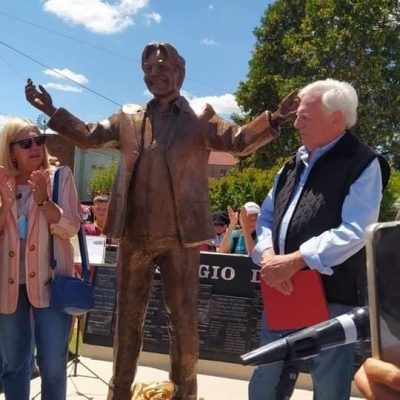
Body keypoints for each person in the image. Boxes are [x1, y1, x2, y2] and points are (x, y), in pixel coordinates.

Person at [25, 42, 299, 400]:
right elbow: (91, 136)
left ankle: (186, 392)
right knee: (127, 321)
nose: (156, 74)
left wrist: (274, 119)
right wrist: (53, 111)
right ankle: (119, 390)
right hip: (135, 234)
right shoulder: (127, 116)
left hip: (180, 237)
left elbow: (238, 140)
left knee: (183, 321)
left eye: (162, 67)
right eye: (149, 69)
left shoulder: (200, 117)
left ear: (179, 72)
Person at [249, 79, 390, 400]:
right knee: (265, 378)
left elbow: (356, 230)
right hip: (283, 291)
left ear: (336, 119)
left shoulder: (364, 164)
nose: (295, 123)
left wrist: (296, 261)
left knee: (328, 388)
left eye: (304, 117)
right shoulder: (291, 166)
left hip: (333, 297)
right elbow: (268, 218)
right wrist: (270, 256)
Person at [0, 118, 80, 400]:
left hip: (51, 283)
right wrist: (6, 206)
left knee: (54, 365)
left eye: (39, 140)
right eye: (26, 143)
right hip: (7, 286)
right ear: (11, 151)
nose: (35, 146)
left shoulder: (60, 177)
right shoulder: (0, 182)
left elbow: (71, 227)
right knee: (14, 365)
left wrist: (45, 201)